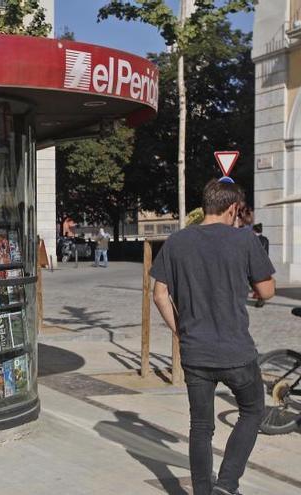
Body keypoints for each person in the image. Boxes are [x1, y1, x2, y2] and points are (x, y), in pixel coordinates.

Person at [150, 178, 275, 495]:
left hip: (196, 353)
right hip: (236, 352)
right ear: (232, 207)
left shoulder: (177, 241)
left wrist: (181, 330)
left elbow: (159, 294)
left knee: (201, 427)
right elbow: (267, 291)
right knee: (252, 411)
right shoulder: (244, 241)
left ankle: (204, 492)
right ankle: (228, 484)